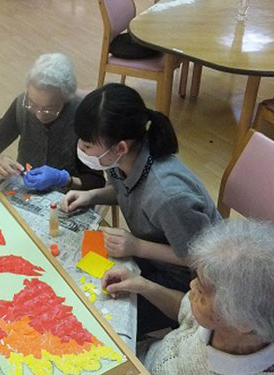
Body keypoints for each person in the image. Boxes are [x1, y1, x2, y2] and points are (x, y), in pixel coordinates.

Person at [62, 83, 221, 335]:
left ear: (120, 147)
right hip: (153, 260)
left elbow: (201, 256)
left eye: (88, 145)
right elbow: (125, 190)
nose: (81, 149)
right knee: (80, 279)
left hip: (187, 281)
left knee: (93, 320)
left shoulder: (169, 196)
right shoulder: (122, 159)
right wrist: (90, 195)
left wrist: (136, 246)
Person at [102, 219, 274, 375]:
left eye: (201, 291)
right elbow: (185, 309)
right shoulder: (222, 319)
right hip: (145, 354)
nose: (192, 286)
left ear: (242, 322)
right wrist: (143, 285)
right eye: (196, 279)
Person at [0, 53, 105, 191]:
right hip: (26, 188)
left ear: (66, 97)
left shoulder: (81, 115)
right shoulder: (22, 105)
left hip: (68, 196)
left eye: (49, 108)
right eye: (33, 104)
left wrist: (63, 179)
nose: (39, 114)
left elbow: (96, 181)